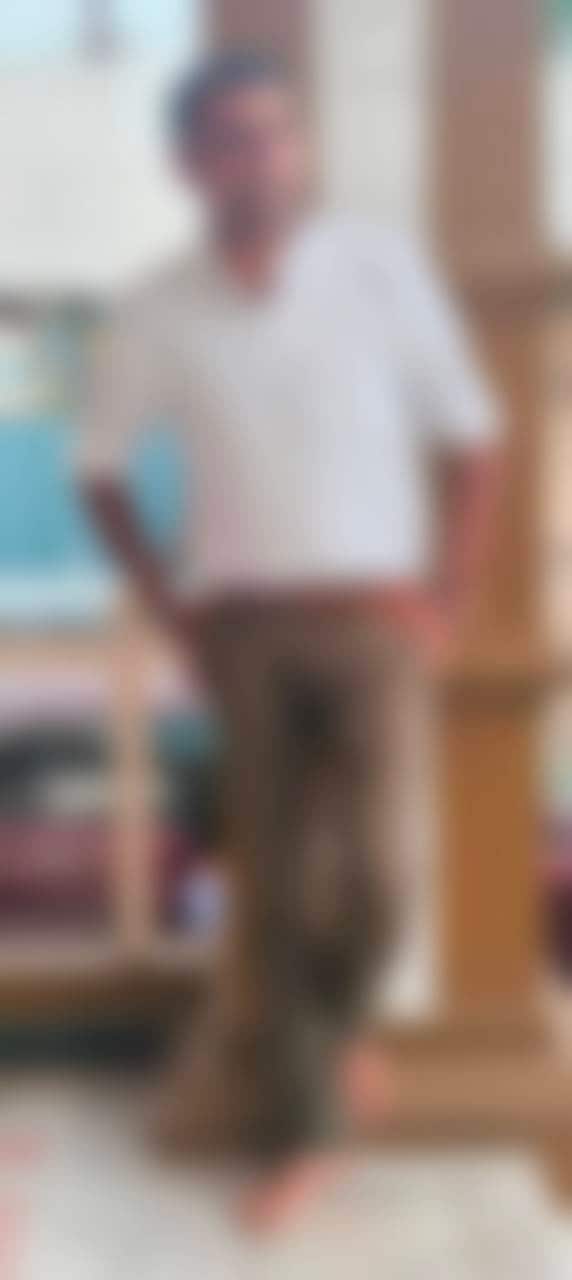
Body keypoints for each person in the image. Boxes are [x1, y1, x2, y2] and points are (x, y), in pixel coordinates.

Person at [77, 49, 503, 1231]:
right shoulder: (156, 306)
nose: (258, 159)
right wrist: (171, 605)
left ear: (298, 149)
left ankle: (345, 1028)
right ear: (189, 163)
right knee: (267, 886)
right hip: (242, 628)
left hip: (374, 620)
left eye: (274, 134)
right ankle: (304, 1132)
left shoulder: (378, 270)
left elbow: (473, 437)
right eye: (230, 140)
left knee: (382, 874)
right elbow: (99, 468)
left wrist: (447, 598)